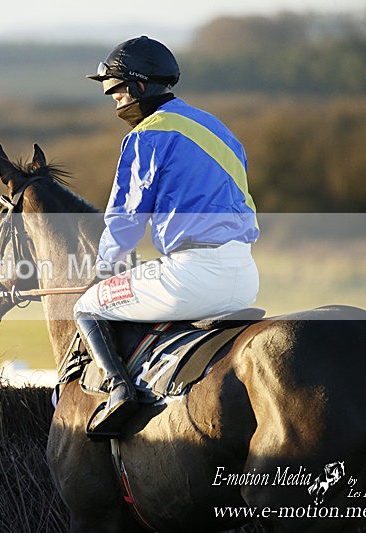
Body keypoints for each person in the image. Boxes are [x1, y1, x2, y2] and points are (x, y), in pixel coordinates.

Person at [74, 36, 260, 437]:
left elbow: (125, 221)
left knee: (87, 306)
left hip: (191, 277)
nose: (114, 99)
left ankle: (120, 393)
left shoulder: (147, 135)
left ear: (140, 87)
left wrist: (102, 268)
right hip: (244, 276)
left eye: (116, 89)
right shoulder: (217, 127)